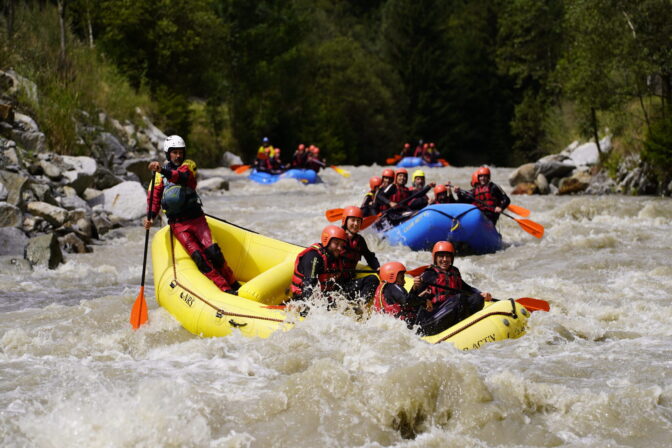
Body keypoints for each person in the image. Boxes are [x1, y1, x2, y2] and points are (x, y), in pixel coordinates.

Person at [143, 135, 239, 294]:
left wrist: (162, 170)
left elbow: (182, 177)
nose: (178, 156)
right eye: (174, 152)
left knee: (214, 253)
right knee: (199, 258)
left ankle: (233, 283)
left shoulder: (188, 166)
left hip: (196, 219)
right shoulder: (158, 177)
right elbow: (154, 199)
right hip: (178, 225)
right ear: (168, 154)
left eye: (180, 152)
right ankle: (225, 289)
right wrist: (150, 218)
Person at [412, 241, 491, 335]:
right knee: (459, 298)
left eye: (448, 256)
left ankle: (468, 325)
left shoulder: (455, 272)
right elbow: (412, 299)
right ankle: (461, 329)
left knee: (478, 298)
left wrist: (481, 293)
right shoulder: (429, 274)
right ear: (435, 258)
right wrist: (415, 286)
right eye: (441, 256)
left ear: (452, 258)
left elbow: (466, 288)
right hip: (433, 318)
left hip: (452, 311)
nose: (445, 259)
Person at [290, 225, 379, 304]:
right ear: (327, 241)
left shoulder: (336, 257)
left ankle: (360, 307)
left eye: (342, 245)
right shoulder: (314, 257)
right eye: (336, 243)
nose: (339, 248)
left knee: (372, 279)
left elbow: (341, 282)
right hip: (306, 299)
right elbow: (308, 287)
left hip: (329, 295)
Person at [340, 206, 380, 278]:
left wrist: (378, 267)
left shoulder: (359, 240)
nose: (356, 223)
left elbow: (369, 257)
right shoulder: (337, 237)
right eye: (353, 220)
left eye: (358, 221)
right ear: (345, 221)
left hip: (350, 278)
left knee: (373, 280)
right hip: (336, 278)